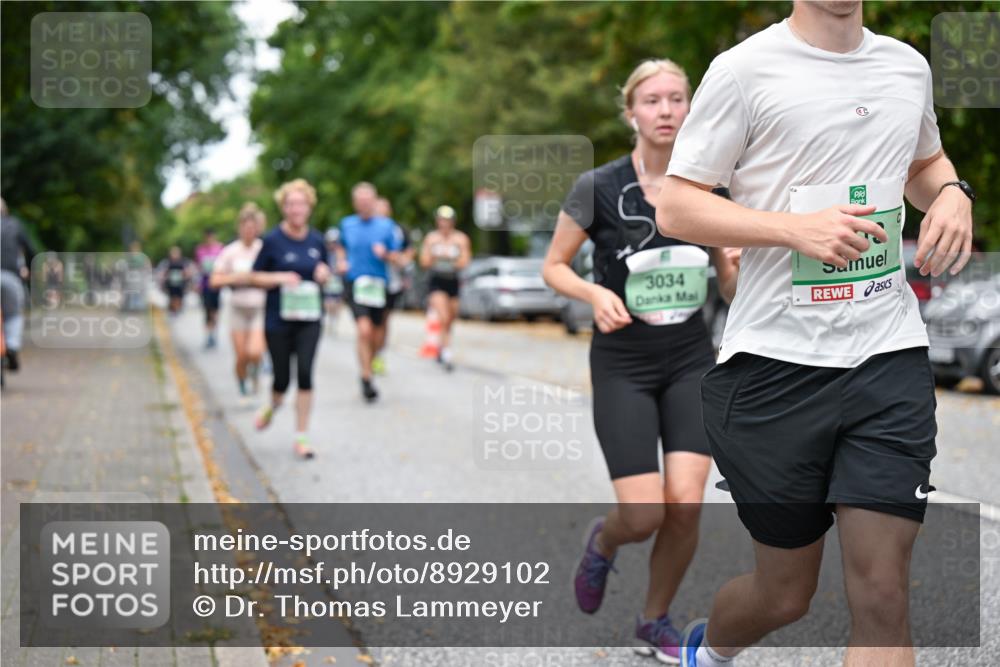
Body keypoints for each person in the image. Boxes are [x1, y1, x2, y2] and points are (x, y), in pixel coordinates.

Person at [656, 3, 974, 666]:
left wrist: (951, 192)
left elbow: (924, 163)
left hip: (887, 354)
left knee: (884, 590)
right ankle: (708, 651)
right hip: (775, 366)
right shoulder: (744, 71)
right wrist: (793, 229)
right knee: (784, 594)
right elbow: (677, 204)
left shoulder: (905, 66)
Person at [542, 59, 739, 664]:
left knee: (685, 500)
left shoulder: (712, 190)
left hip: (689, 361)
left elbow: (731, 295)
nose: (666, 110)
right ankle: (604, 541)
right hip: (622, 364)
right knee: (644, 511)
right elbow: (552, 267)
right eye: (652, 100)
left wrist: (730, 261)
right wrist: (594, 292)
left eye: (677, 99)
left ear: (690, 109)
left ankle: (654, 619)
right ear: (631, 113)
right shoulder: (597, 188)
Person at [251, 179, 331, 459]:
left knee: (306, 374)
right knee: (282, 380)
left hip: (309, 318)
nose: (296, 209)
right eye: (291, 204)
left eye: (301, 203)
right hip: (278, 320)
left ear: (309, 207)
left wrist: (323, 274)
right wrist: (279, 277)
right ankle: (272, 406)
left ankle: (302, 437)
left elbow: (325, 271)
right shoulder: (272, 241)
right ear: (283, 208)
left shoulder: (317, 240)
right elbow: (255, 276)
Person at [336, 182, 401, 403]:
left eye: (367, 201)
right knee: (364, 331)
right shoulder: (347, 224)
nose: (364, 205)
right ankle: (365, 377)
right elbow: (341, 247)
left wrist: (386, 254)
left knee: (375, 335)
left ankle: (368, 367)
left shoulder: (386, 226)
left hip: (378, 285)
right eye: (360, 201)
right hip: (355, 283)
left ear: (374, 202)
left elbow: (398, 257)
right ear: (355, 203)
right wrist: (342, 261)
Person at [211, 203, 267, 397]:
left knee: (255, 352)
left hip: (260, 308)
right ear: (240, 228)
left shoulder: (264, 249)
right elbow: (214, 280)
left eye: (253, 227)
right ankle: (242, 381)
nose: (249, 231)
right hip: (238, 308)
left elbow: (274, 276)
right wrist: (235, 278)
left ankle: (256, 371)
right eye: (245, 227)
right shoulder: (230, 251)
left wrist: (256, 279)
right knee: (242, 355)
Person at [418, 205, 471, 372]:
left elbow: (465, 262)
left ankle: (442, 346)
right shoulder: (431, 238)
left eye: (447, 220)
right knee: (443, 316)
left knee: (450, 319)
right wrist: (438, 256)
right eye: (441, 220)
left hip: (453, 281)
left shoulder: (461, 239)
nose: (444, 224)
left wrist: (451, 259)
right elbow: (424, 262)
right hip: (436, 281)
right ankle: (446, 353)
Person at [370, 196, 414, 375]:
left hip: (391, 283)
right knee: (370, 323)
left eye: (384, 209)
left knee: (383, 321)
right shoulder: (366, 228)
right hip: (369, 283)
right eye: (377, 209)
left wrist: (396, 259)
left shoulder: (398, 230)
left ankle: (378, 355)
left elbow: (408, 253)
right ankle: (369, 354)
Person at [0, 197, 36, 373]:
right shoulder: (14, 225)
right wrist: (27, 270)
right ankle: (12, 346)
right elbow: (31, 250)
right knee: (14, 314)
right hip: (9, 277)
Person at [195, 229, 225, 348]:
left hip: (217, 285)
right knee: (207, 311)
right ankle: (208, 335)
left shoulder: (220, 249)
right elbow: (198, 267)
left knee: (215, 310)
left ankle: (213, 332)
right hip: (205, 285)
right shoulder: (200, 250)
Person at [322, 228, 346, 335]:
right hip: (328, 279)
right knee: (327, 301)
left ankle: (334, 321)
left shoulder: (341, 252)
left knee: (337, 302)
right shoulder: (325, 251)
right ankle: (328, 319)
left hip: (337, 280)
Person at [157, 246, 193, 315]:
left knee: (179, 298)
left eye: (176, 253)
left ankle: (178, 310)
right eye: (173, 253)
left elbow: (190, 272)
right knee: (173, 298)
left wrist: (185, 275)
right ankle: (173, 311)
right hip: (170, 285)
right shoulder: (166, 262)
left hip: (181, 285)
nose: (174, 255)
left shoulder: (184, 262)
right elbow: (161, 274)